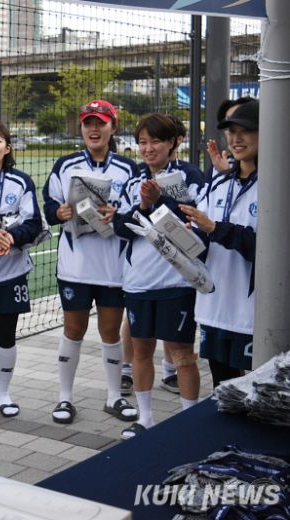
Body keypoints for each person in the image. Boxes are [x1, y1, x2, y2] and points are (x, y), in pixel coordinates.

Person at [42, 100, 138, 425]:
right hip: (75, 266)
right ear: (81, 128)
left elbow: (136, 212)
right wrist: (59, 213)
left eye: (100, 123)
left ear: (113, 126)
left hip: (113, 267)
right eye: (88, 123)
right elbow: (48, 207)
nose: (93, 129)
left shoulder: (128, 168)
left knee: (110, 332)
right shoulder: (65, 165)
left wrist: (118, 215)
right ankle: (65, 398)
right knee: (73, 330)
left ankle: (114, 397)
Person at [113, 113, 206, 440]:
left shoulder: (192, 177)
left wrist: (159, 201)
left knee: (182, 353)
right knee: (141, 350)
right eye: (142, 142)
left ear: (173, 143)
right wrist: (143, 205)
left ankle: (189, 421)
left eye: (155, 141)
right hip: (139, 281)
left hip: (178, 281)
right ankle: (146, 419)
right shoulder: (130, 180)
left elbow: (198, 222)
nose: (148, 148)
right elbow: (119, 226)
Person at [181, 99, 259, 387]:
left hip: (252, 313)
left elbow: (265, 249)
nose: (236, 139)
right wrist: (179, 239)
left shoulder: (276, 184)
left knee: (258, 392)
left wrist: (214, 228)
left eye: (246, 131)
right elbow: (204, 242)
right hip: (214, 308)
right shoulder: (219, 184)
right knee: (222, 389)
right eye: (231, 131)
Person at [0, 121, 44, 418]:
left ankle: (4, 393)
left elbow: (34, 223)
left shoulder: (21, 181)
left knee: (7, 333)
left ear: (7, 148)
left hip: (11, 271)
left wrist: (11, 237)